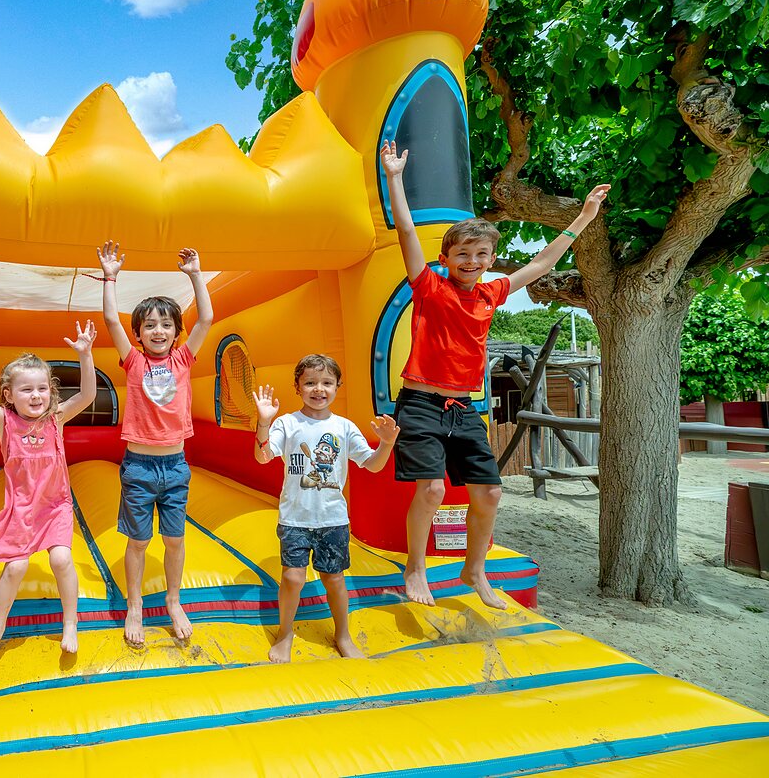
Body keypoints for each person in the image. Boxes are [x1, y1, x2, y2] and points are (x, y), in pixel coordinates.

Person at [382, 140, 610, 609]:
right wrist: (394, 177)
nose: (472, 262)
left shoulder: (492, 293)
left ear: (489, 259)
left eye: (481, 254)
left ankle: (474, 569)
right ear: (446, 258)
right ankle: (415, 567)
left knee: (489, 493)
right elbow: (405, 229)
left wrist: (584, 217)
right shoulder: (428, 286)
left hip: (464, 407)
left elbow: (543, 263)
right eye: (462, 254)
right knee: (431, 489)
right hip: (421, 403)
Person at [96, 240, 214, 645]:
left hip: (176, 465)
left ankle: (173, 599)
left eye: (166, 324)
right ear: (139, 335)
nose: (158, 331)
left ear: (176, 333)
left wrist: (196, 275)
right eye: (149, 325)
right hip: (140, 466)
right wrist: (110, 277)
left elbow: (206, 320)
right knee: (139, 540)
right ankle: (134, 607)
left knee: (176, 539)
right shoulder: (134, 362)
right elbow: (112, 321)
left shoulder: (182, 360)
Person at [0, 318, 98, 662]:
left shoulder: (56, 420)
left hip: (55, 506)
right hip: (21, 509)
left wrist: (85, 355)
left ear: (50, 392)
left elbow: (87, 394)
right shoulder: (5, 422)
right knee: (15, 568)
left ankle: (70, 622)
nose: (36, 395)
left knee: (62, 558)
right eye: (26, 390)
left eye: (42, 388)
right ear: (9, 395)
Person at [252, 355, 399, 663]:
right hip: (295, 518)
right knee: (293, 578)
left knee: (333, 577)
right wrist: (264, 421)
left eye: (326, 383)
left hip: (332, 519)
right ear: (297, 386)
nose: (318, 389)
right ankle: (285, 632)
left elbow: (371, 465)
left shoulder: (344, 427)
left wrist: (385, 445)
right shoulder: (288, 423)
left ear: (337, 387)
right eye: (310, 382)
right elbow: (263, 456)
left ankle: (342, 634)